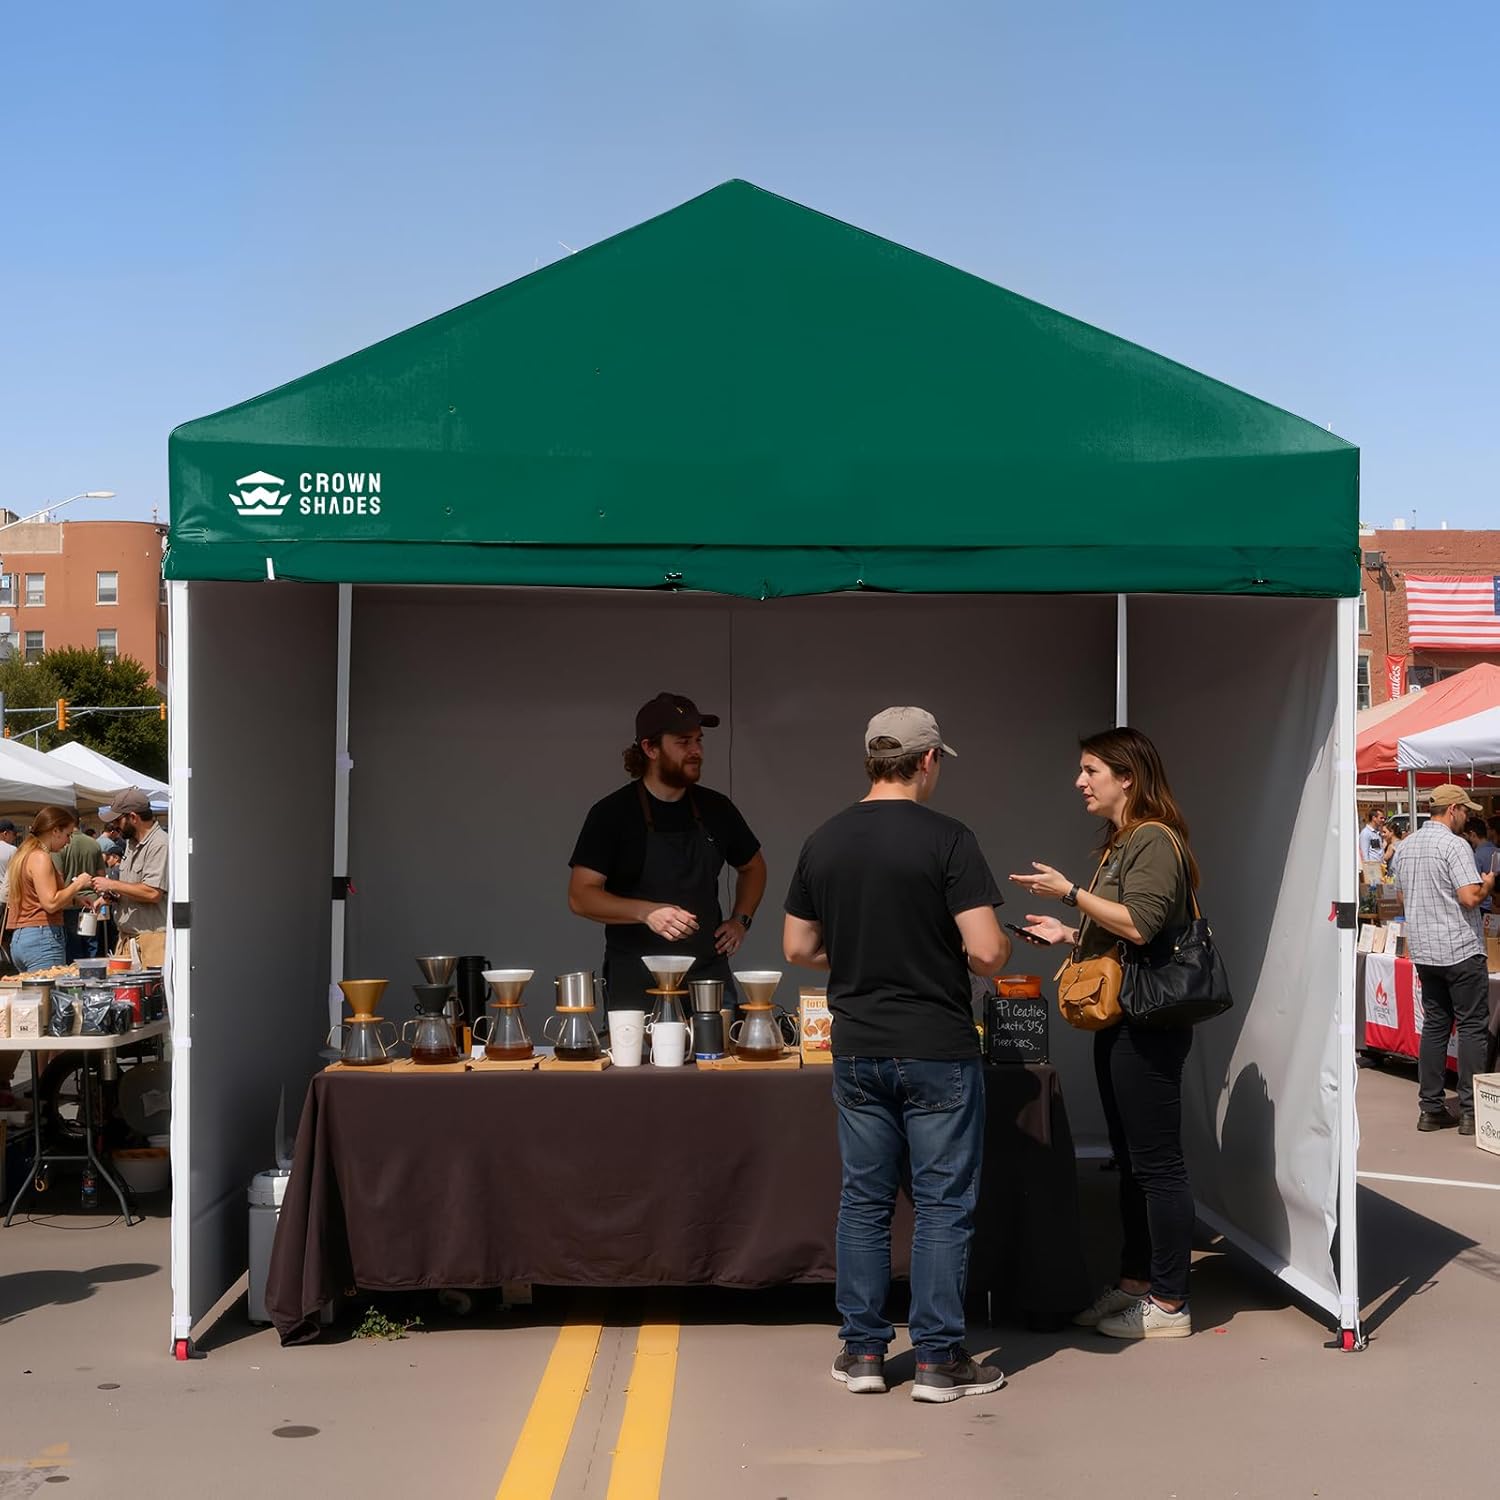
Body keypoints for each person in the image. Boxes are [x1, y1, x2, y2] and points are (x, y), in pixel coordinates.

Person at [783, 706, 1010, 1403]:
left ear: (872, 761)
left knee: (864, 1201)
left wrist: (857, 956)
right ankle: (939, 1362)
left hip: (857, 1047)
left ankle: (861, 1354)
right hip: (936, 1046)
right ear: (928, 760)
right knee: (942, 1204)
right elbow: (988, 952)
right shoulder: (950, 840)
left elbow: (796, 949)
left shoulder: (824, 839)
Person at [1011, 726, 1200, 1341]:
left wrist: (1069, 893)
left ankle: (1170, 1303)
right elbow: (1120, 928)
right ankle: (1135, 1284)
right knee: (1133, 1162)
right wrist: (1068, 935)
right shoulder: (1124, 843)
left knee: (1157, 1165)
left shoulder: (1153, 839)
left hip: (1147, 1023)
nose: (1080, 781)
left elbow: (1143, 926)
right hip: (1121, 1018)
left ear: (1128, 777)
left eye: (1091, 770)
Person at [568, 693, 766, 1014]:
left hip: (706, 977)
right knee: (642, 1064)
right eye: (684, 742)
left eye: (699, 741)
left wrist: (740, 920)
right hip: (636, 980)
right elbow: (580, 895)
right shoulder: (612, 814)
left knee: (717, 1061)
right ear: (650, 748)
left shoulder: (718, 809)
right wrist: (646, 912)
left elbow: (754, 867)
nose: (697, 751)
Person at [1391, 784, 1495, 1136]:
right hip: (1460, 947)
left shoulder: (1405, 847)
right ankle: (1471, 1110)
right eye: (1465, 811)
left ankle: (1431, 1107)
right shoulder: (1454, 844)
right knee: (1471, 1027)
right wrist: (1488, 884)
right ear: (1452, 809)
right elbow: (1469, 898)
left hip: (1426, 949)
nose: (1467, 817)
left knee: (1435, 1025)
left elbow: (1404, 899)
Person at [6, 806, 96, 973]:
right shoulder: (40, 857)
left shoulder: (24, 854)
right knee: (49, 997)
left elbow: (37, 897)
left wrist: (74, 899)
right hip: (42, 938)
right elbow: (50, 903)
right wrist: (78, 884)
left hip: (22, 938)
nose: (68, 841)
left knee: (35, 998)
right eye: (68, 835)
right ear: (55, 831)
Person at [92, 788, 168, 968]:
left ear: (133, 817)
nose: (115, 826)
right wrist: (114, 897)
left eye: (118, 820)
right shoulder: (131, 843)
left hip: (152, 942)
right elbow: (133, 887)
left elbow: (152, 893)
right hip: (127, 940)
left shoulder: (159, 843)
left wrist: (111, 883)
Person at [54, 825, 106, 960]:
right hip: (92, 901)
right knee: (92, 945)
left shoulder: (59, 846)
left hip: (68, 901)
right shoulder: (93, 843)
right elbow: (101, 874)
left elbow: (58, 877)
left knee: (73, 946)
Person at [1463, 816, 1497, 914]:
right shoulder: (1497, 851)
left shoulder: (1475, 856)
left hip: (1482, 906)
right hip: (1494, 905)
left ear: (1472, 835)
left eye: (1466, 836)